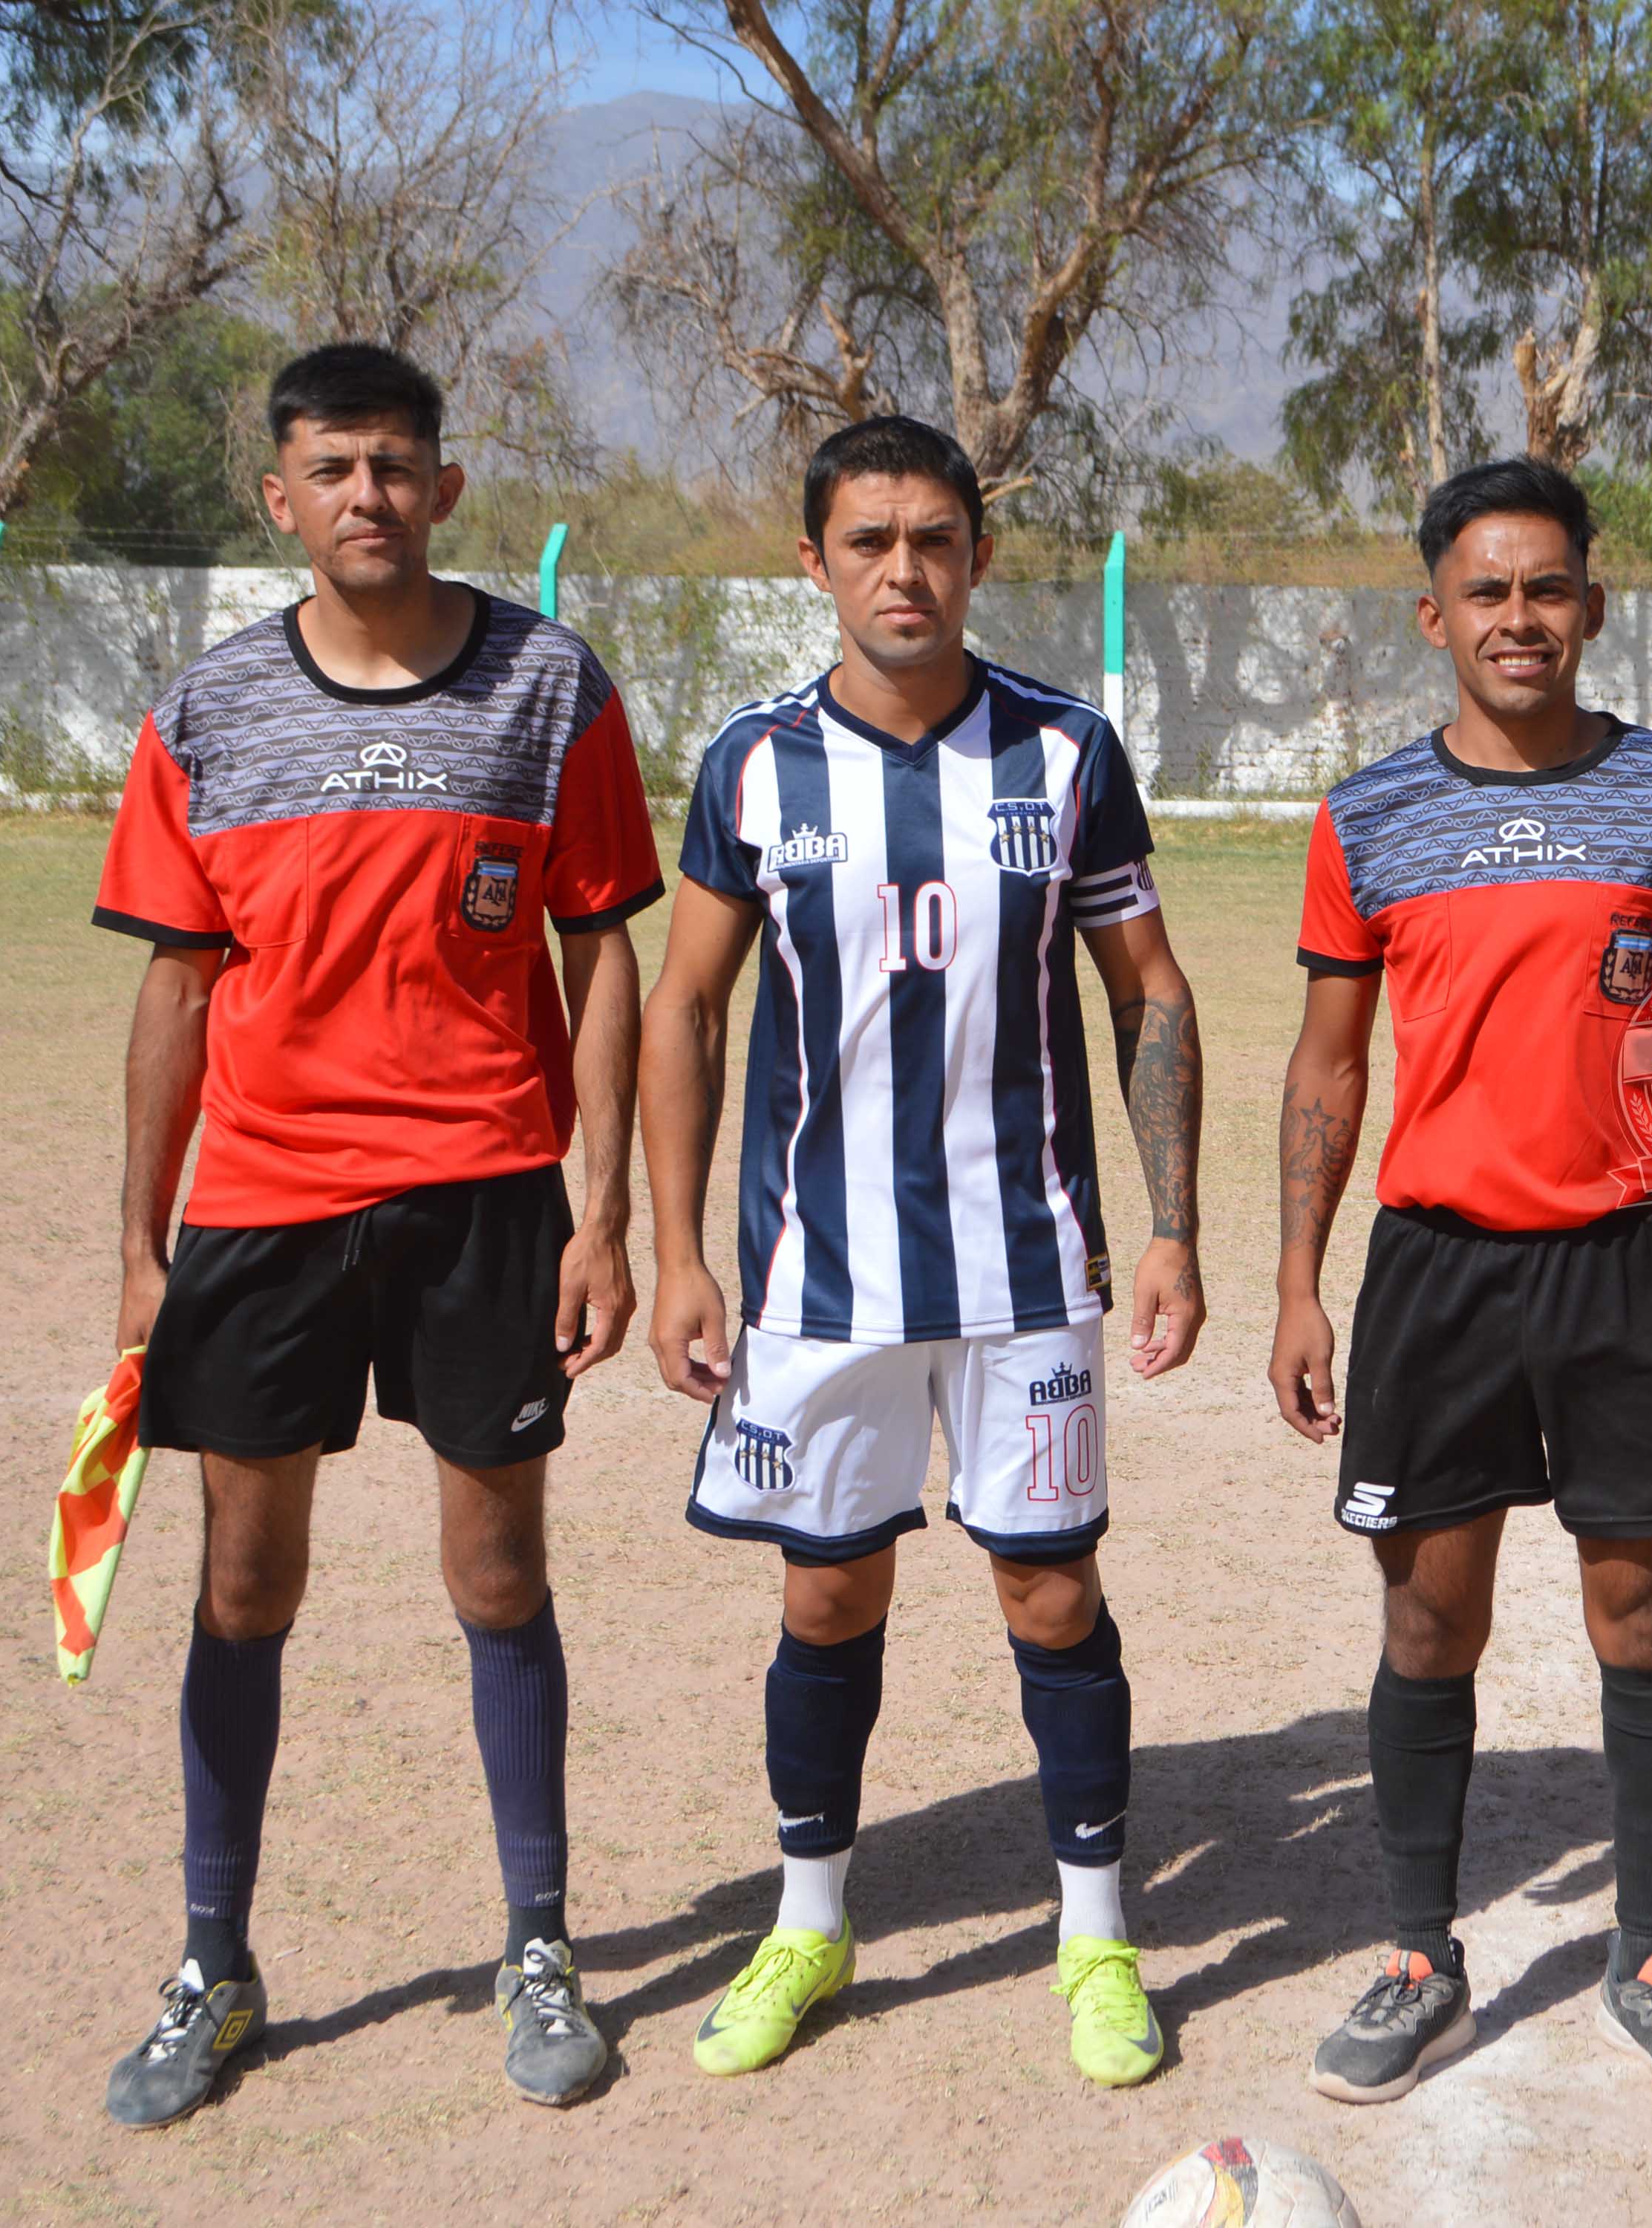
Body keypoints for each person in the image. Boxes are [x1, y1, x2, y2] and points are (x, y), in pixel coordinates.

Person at [91, 344, 660, 2125]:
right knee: (243, 1587)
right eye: (333, 469)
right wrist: (141, 1245)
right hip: (262, 1206)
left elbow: (604, 951)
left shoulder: (550, 689)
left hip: (487, 1194)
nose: (368, 496)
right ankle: (216, 1960)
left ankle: (540, 1943)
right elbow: (178, 988)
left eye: (396, 466)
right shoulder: (204, 715)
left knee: (498, 1577)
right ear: (281, 498)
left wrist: (604, 1213)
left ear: (444, 489)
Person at [644, 415, 1204, 2090]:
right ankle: (810, 1921)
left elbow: (1151, 995)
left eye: (936, 540)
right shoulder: (754, 764)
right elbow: (685, 1007)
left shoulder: (1066, 752)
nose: (906, 570)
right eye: (870, 541)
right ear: (813, 561)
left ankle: (1096, 1937)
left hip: (1028, 1268)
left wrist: (1173, 1227)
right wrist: (677, 1252)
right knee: (827, 1588)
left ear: (978, 555)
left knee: (1050, 1587)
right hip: (820, 1277)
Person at [1270, 458, 1652, 2116]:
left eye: (1548, 587)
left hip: (1636, 1263)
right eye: (1486, 591)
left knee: (1643, 1613)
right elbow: (1331, 1063)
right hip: (1438, 1269)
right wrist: (1297, 1284)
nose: (1520, 617)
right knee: (1430, 1616)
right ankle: (1420, 1953)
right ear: (1434, 617)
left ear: (1593, 606)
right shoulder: (1366, 816)